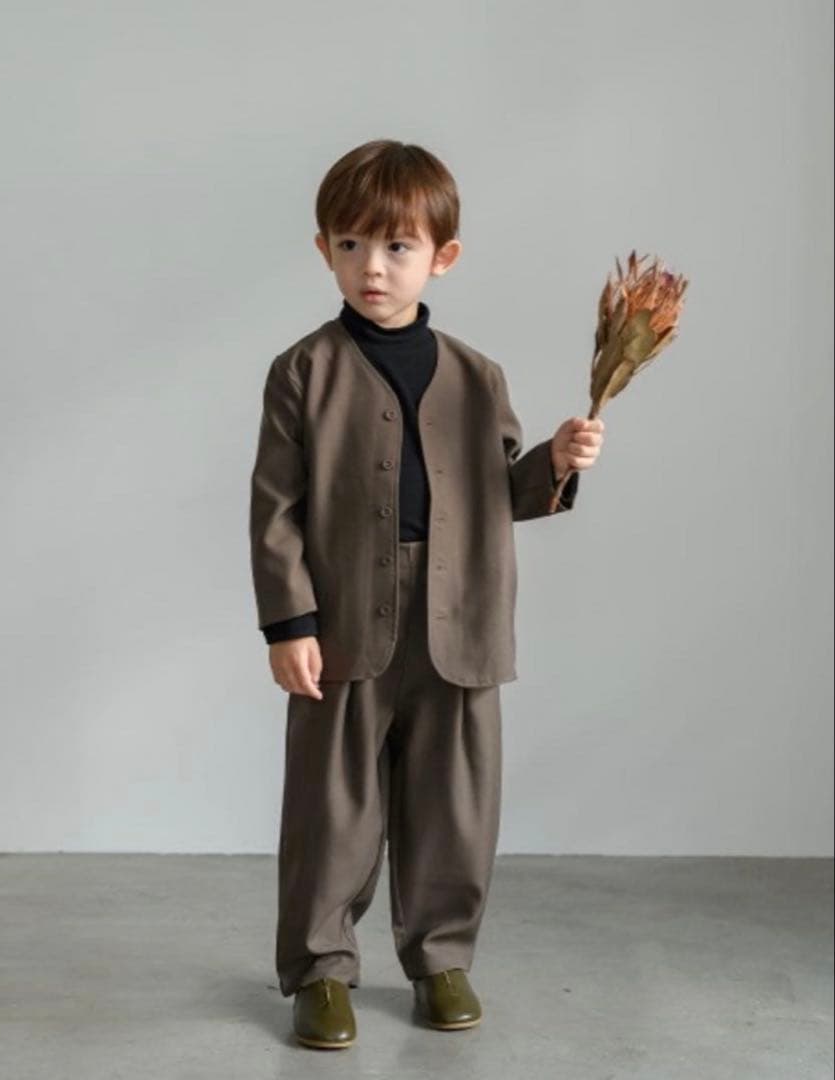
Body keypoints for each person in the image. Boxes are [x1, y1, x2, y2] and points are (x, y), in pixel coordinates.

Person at [249, 138, 604, 1050]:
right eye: (351, 245)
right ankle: (320, 970)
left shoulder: (477, 376)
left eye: (396, 246)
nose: (372, 266)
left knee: (454, 802)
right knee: (332, 805)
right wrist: (289, 624)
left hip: (460, 617)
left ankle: (441, 959)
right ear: (323, 250)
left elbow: (499, 492)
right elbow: (275, 508)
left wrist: (555, 464)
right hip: (343, 619)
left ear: (441, 256)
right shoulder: (303, 371)